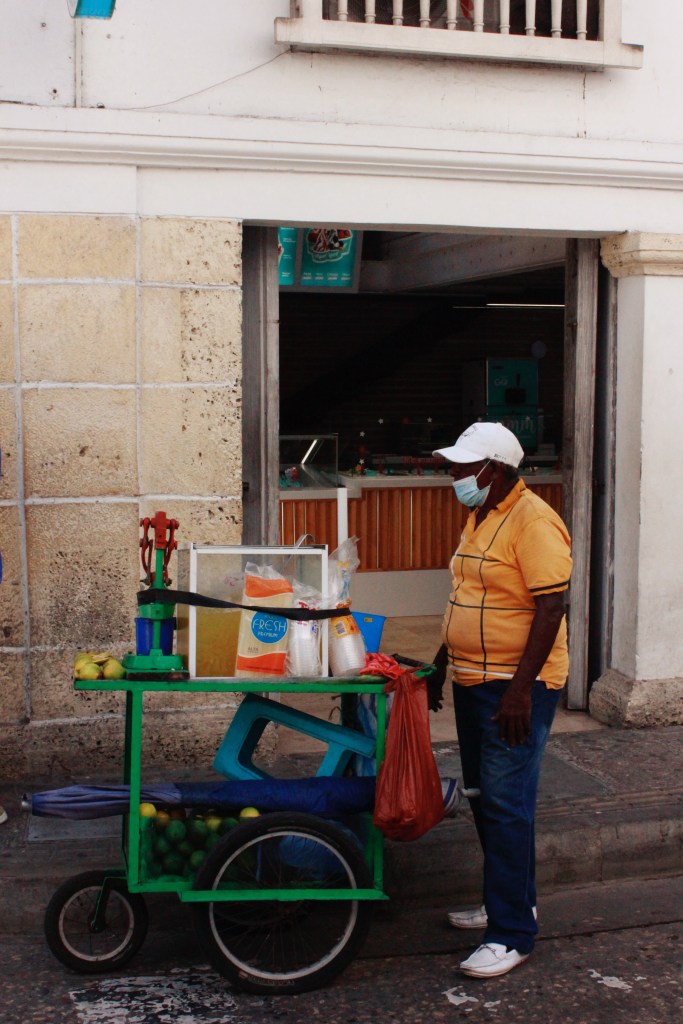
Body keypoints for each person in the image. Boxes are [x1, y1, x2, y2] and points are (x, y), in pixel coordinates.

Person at [428, 421, 572, 979]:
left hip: (515, 689)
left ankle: (512, 934)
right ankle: (508, 901)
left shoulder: (534, 521)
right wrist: (442, 662)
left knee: (507, 804)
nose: (454, 475)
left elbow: (551, 607)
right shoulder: (482, 514)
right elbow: (468, 595)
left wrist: (518, 692)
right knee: (486, 797)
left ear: (495, 470)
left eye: (463, 467)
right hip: (472, 680)